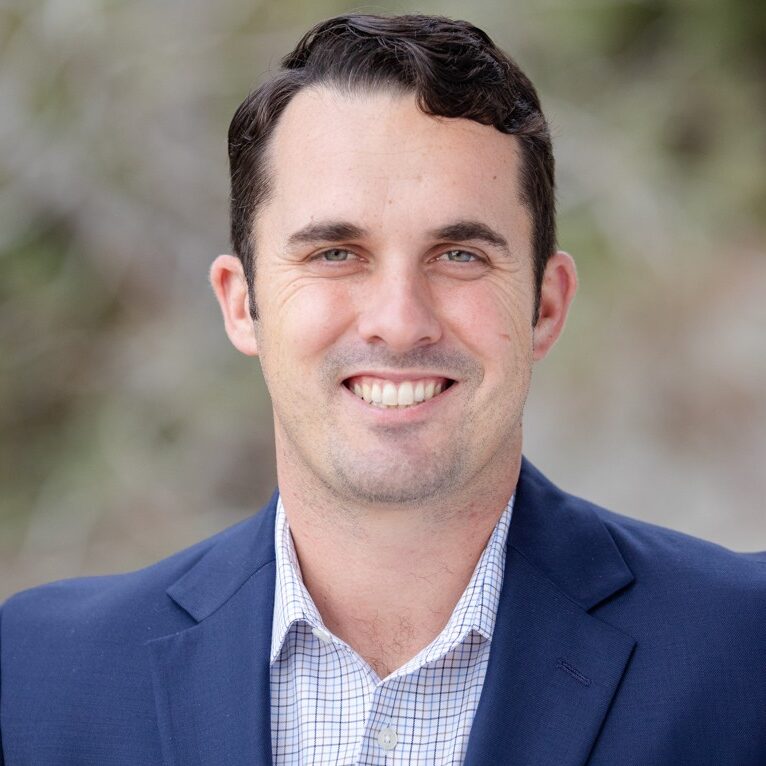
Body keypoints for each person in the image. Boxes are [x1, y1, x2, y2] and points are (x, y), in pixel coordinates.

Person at [1, 13, 764, 766]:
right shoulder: (41, 677)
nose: (400, 323)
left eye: (459, 255)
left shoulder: (744, 648)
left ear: (546, 304)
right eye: (335, 253)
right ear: (242, 304)